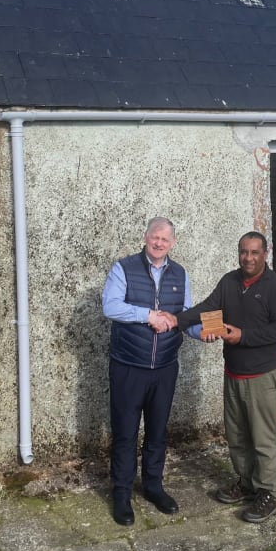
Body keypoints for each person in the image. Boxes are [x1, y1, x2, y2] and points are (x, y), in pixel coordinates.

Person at [172, 231, 276, 523]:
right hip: (233, 371)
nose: (248, 258)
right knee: (237, 435)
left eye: (254, 252)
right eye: (243, 252)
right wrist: (175, 320)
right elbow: (207, 309)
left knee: (263, 437)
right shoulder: (229, 282)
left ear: (265, 253)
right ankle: (247, 482)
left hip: (262, 374)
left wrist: (243, 336)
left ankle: (270, 492)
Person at [101, 217, 193, 526]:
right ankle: (122, 493)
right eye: (155, 237)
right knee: (125, 433)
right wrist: (148, 315)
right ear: (145, 237)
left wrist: (203, 331)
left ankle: (153, 486)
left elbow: (184, 315)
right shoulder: (123, 268)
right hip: (129, 366)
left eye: (165, 239)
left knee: (157, 431)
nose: (159, 243)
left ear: (172, 243)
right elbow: (110, 306)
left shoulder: (180, 274)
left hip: (165, 367)